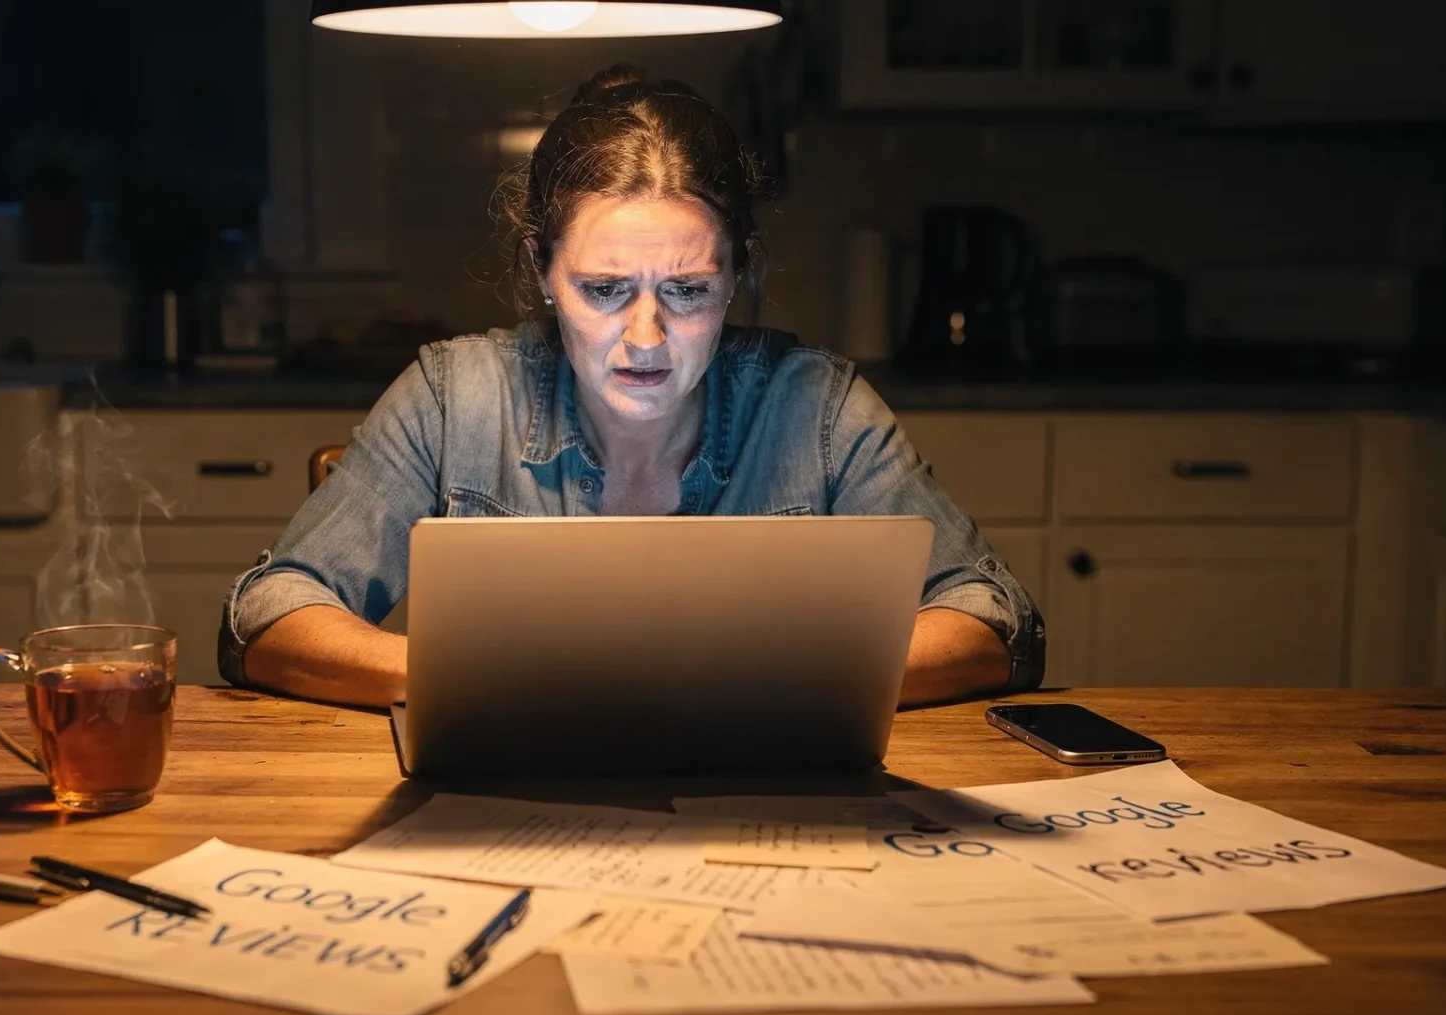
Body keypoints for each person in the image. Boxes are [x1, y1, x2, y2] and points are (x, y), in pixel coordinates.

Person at [220, 65, 1044, 710]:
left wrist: (773, 681)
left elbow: (996, 621)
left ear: (739, 271)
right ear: (542, 267)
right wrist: (479, 676)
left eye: (687, 291)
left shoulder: (817, 407)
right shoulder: (453, 396)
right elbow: (266, 613)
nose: (645, 338)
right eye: (604, 289)